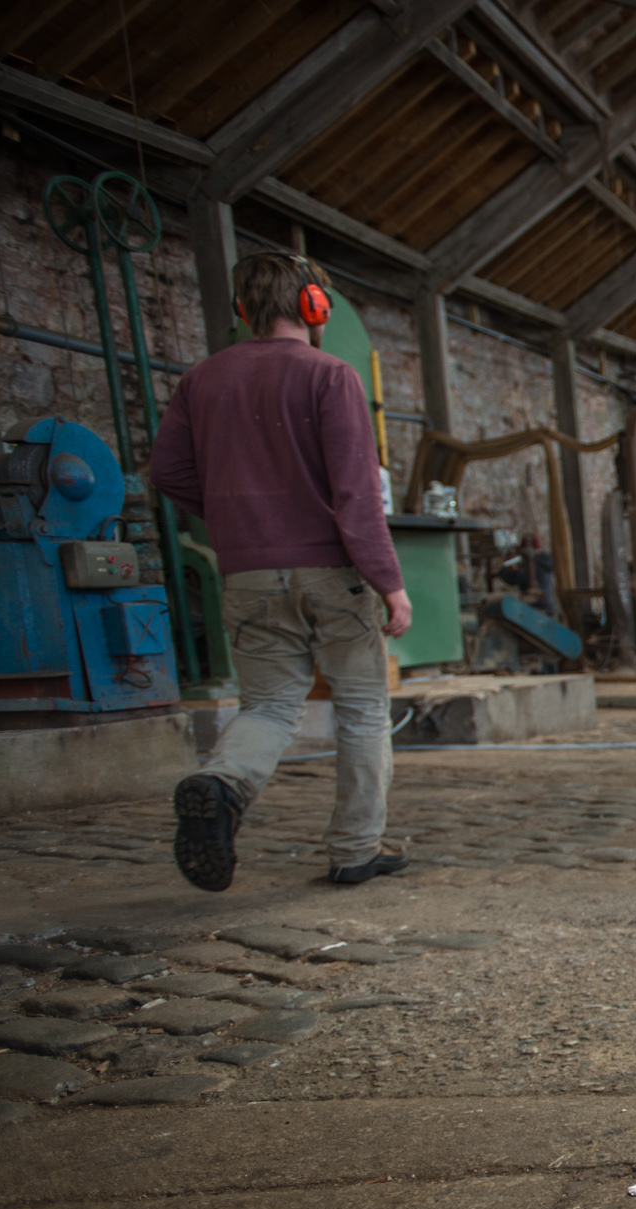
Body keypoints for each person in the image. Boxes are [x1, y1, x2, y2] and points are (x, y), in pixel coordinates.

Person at [150, 252, 413, 891]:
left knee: (268, 706)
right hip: (332, 573)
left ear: (243, 310)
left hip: (246, 574)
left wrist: (233, 516)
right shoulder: (331, 375)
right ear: (314, 307)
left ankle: (221, 781)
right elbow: (356, 492)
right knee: (360, 709)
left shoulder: (201, 381)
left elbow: (167, 474)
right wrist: (389, 583)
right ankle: (355, 850)